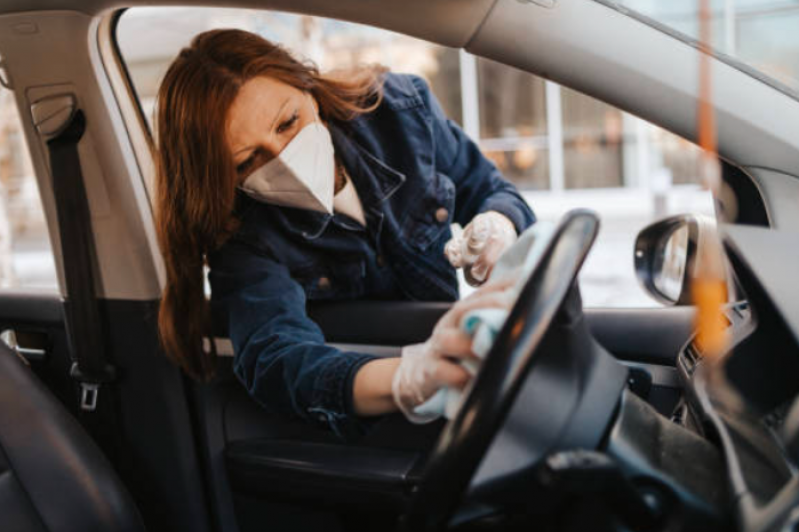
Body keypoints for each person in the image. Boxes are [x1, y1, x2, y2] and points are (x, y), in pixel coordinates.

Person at [153, 29, 536, 440]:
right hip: (376, 429)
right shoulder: (244, 236)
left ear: (309, 89)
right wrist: (408, 377)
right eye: (248, 161)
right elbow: (276, 357)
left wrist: (499, 224)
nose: (285, 158)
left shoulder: (400, 112)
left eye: (288, 122)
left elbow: (489, 188)